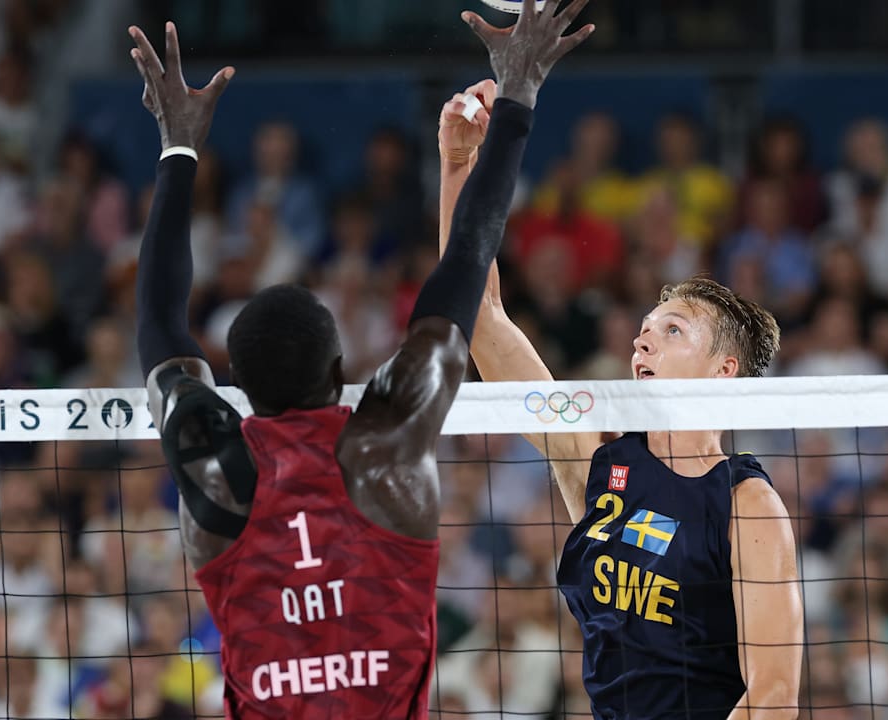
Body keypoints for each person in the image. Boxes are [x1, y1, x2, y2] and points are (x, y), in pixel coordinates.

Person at [128, 3, 592, 718]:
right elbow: (467, 265)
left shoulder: (209, 462)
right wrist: (517, 94)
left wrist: (177, 149)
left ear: (237, 386)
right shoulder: (385, 444)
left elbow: (159, 321)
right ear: (341, 364)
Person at [439, 81, 802, 720]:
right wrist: (460, 165)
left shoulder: (747, 504)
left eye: (672, 329)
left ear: (723, 371)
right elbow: (481, 313)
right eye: (644, 327)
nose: (643, 338)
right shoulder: (599, 460)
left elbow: (772, 699)